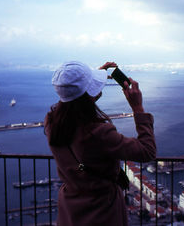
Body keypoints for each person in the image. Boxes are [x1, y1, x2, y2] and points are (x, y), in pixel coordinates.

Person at [44, 61, 156, 226]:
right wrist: (138, 107)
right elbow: (147, 151)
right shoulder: (99, 133)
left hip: (70, 207)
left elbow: (75, 99)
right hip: (102, 210)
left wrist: (88, 80)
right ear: (87, 93)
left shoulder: (51, 122)